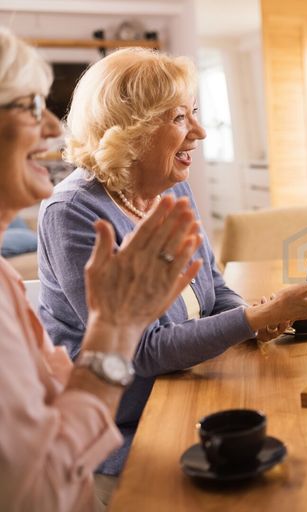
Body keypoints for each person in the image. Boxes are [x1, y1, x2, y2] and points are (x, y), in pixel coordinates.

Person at [36, 47, 307, 492]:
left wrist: (255, 320)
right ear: (130, 129)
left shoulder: (170, 187)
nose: (200, 131)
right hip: (126, 419)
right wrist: (253, 317)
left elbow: (213, 285)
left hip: (187, 382)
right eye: (178, 118)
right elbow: (141, 351)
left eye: (195, 112)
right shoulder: (73, 212)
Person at [0, 28, 203, 511]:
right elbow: (43, 488)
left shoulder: (6, 279)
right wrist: (115, 328)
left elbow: (58, 415)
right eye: (30, 106)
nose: (53, 128)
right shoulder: (71, 209)